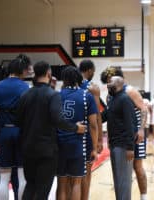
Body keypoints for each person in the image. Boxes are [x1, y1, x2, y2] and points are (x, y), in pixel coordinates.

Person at [16, 61, 86, 200]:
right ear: (49, 73)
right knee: (43, 189)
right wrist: (76, 128)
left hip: (27, 148)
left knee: (30, 185)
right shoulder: (52, 95)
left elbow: (18, 120)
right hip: (46, 150)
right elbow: (58, 120)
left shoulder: (25, 94)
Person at [101, 67, 148, 200]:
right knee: (123, 171)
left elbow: (144, 109)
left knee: (138, 167)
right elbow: (110, 117)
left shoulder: (130, 91)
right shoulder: (111, 95)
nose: (108, 83)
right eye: (107, 81)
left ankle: (144, 196)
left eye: (110, 80)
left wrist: (141, 129)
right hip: (120, 137)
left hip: (136, 133)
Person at [0, 58, 30, 200]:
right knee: (22, 177)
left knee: (4, 178)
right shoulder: (27, 87)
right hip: (21, 133)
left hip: (4, 133)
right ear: (22, 71)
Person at [57, 66, 98, 200]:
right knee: (76, 182)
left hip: (60, 144)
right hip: (78, 144)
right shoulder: (87, 96)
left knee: (61, 184)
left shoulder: (57, 95)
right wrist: (95, 147)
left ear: (64, 80)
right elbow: (93, 124)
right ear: (78, 79)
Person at [102, 76, 136, 200]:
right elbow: (102, 117)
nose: (108, 84)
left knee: (124, 182)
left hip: (123, 146)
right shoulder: (112, 99)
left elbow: (130, 124)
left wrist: (130, 148)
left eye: (110, 82)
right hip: (114, 144)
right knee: (117, 180)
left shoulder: (125, 99)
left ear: (119, 84)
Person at [78, 59, 103, 200]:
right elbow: (97, 116)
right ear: (89, 70)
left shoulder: (68, 85)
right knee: (86, 173)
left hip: (70, 132)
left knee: (70, 176)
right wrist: (99, 140)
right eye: (93, 71)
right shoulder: (92, 87)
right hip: (86, 134)